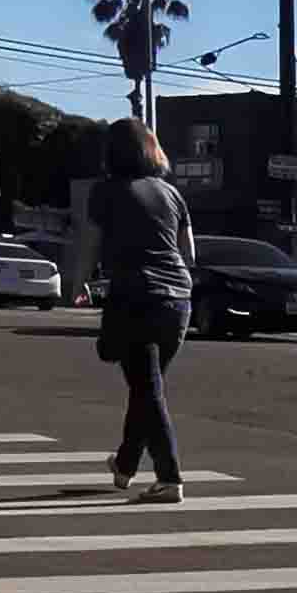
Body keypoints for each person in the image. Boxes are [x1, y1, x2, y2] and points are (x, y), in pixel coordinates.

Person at [87, 117, 195, 501]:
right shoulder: (171, 194)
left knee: (147, 389)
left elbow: (92, 244)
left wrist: (83, 281)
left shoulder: (106, 192)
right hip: (179, 298)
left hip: (136, 295)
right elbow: (189, 253)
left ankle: (170, 477)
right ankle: (126, 464)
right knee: (147, 388)